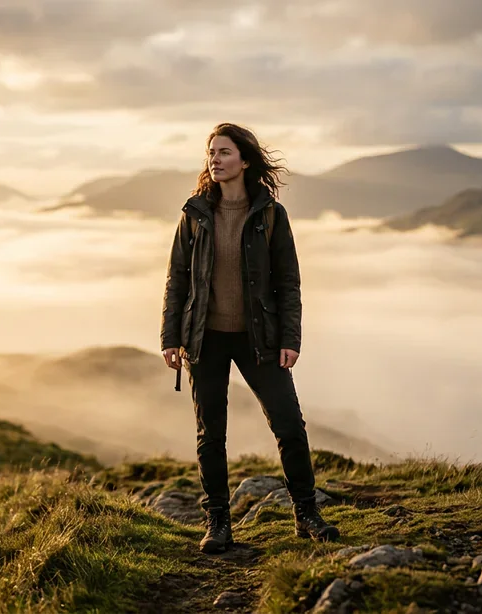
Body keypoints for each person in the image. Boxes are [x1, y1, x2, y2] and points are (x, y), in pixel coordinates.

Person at [160, 122, 340, 554]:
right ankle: (218, 522)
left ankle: (306, 514)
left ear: (244, 159)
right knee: (211, 435)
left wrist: (290, 338)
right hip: (205, 339)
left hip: (259, 338)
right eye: (211, 154)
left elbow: (288, 282)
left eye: (223, 153)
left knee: (290, 426)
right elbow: (177, 280)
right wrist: (171, 337)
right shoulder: (195, 214)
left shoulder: (270, 215)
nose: (215, 161)